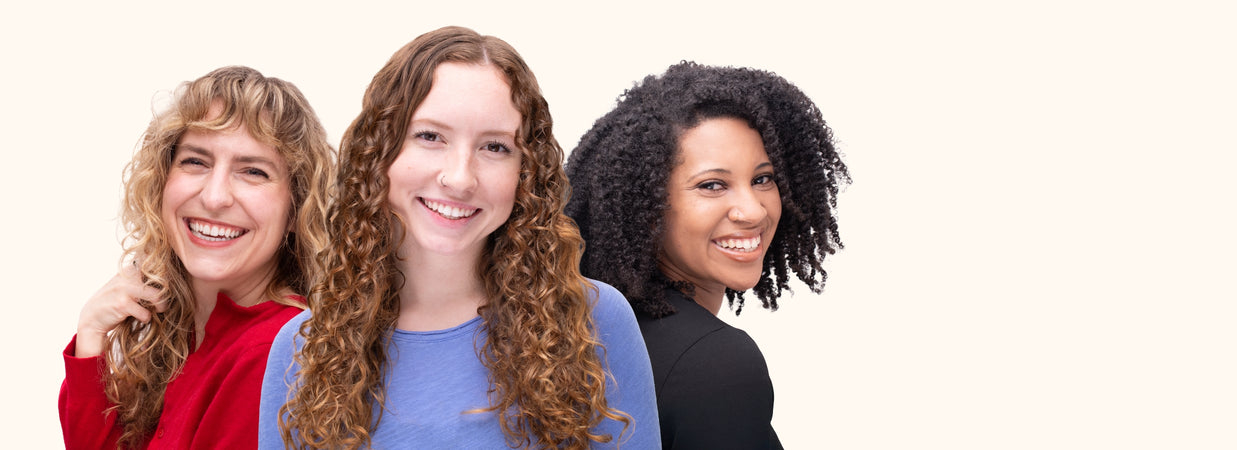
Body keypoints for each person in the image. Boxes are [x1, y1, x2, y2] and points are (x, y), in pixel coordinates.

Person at [260, 26, 659, 449]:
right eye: (430, 136)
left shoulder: (594, 321)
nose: (460, 178)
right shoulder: (303, 350)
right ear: (378, 151)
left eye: (496, 147)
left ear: (526, 174)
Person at [565, 62, 851, 449]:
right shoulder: (713, 363)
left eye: (762, 179)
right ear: (644, 204)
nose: (753, 211)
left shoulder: (589, 331)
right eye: (713, 185)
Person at [59, 66, 335, 449]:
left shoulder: (274, 352)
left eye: (253, 171)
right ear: (161, 181)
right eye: (195, 162)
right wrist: (91, 339)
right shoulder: (180, 339)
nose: (215, 196)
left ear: (295, 210)